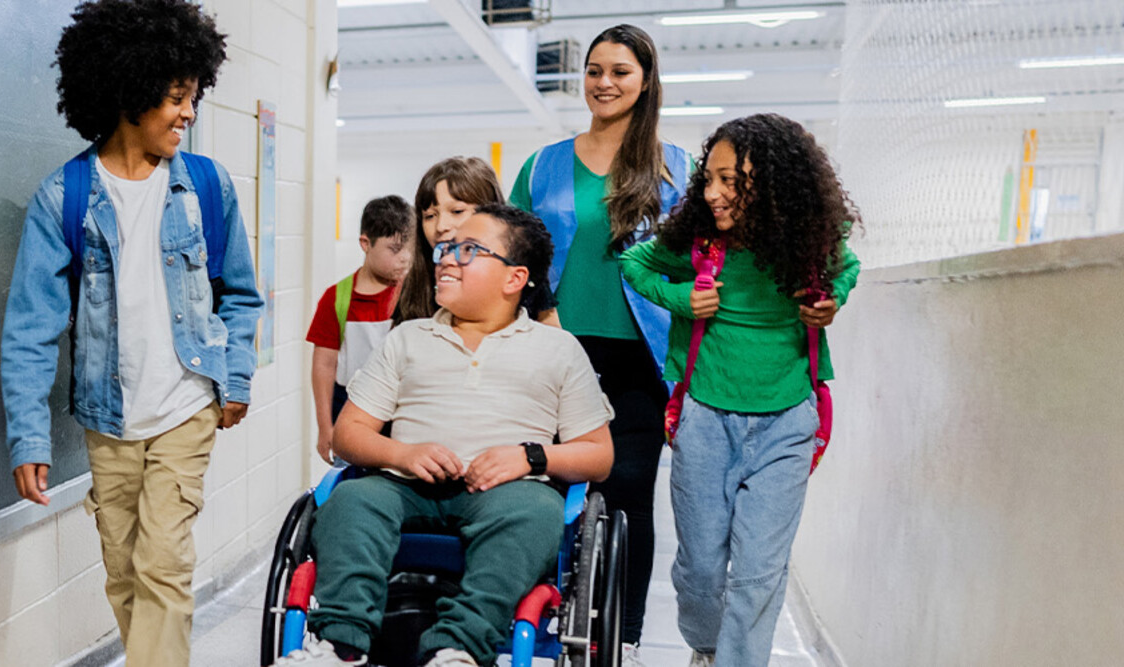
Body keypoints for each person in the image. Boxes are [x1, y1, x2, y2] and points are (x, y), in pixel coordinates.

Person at [0, 2, 262, 665]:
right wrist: (27, 432)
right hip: (109, 418)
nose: (189, 113)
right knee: (124, 569)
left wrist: (235, 376)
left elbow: (243, 294)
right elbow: (30, 327)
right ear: (131, 91)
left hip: (186, 407)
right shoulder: (64, 197)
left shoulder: (206, 186)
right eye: (177, 97)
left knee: (163, 564)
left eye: (193, 97)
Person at [275, 204, 614, 667]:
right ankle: (341, 644)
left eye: (469, 250)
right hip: (402, 486)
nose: (447, 258)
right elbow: (347, 435)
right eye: (446, 248)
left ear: (514, 279)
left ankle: (458, 648)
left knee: (536, 513)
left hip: (508, 492)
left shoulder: (558, 349)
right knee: (350, 503)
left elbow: (598, 454)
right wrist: (404, 452)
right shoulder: (408, 338)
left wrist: (530, 458)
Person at [619, 113, 860, 667]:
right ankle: (706, 647)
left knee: (757, 571)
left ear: (773, 184)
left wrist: (831, 300)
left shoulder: (812, 240)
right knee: (701, 567)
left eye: (732, 181)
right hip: (706, 416)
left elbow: (847, 267)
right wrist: (680, 299)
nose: (714, 193)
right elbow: (634, 262)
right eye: (710, 179)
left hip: (787, 420)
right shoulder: (699, 240)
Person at [506, 24, 691, 664]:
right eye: (594, 70)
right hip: (556, 348)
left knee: (630, 496)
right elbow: (513, 251)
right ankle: (540, 618)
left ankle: (627, 637)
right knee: (544, 492)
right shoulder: (544, 164)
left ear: (645, 83)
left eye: (620, 71)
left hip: (639, 355)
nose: (604, 83)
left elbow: (699, 262)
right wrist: (543, 310)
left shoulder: (676, 169)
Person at [307, 195, 413, 462]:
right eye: (395, 249)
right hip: (351, 412)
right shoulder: (337, 298)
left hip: (403, 415)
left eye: (410, 249)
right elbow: (324, 365)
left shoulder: (412, 296)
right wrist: (325, 426)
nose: (405, 258)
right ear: (366, 244)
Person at [392, 157, 514, 325]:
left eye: (457, 211)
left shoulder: (520, 283)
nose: (441, 226)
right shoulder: (414, 290)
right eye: (429, 216)